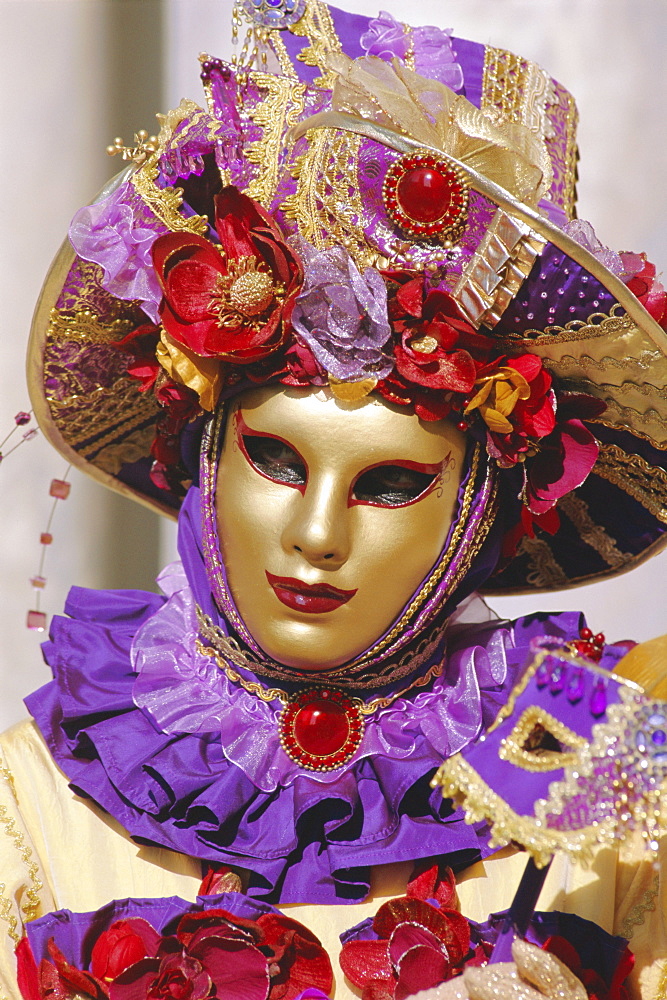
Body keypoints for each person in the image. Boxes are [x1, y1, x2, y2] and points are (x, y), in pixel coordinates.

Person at [2, 2, 667, 997]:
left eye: (392, 482)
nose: (314, 536)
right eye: (275, 459)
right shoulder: (40, 793)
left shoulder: (604, 781)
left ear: (483, 511)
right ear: (203, 454)